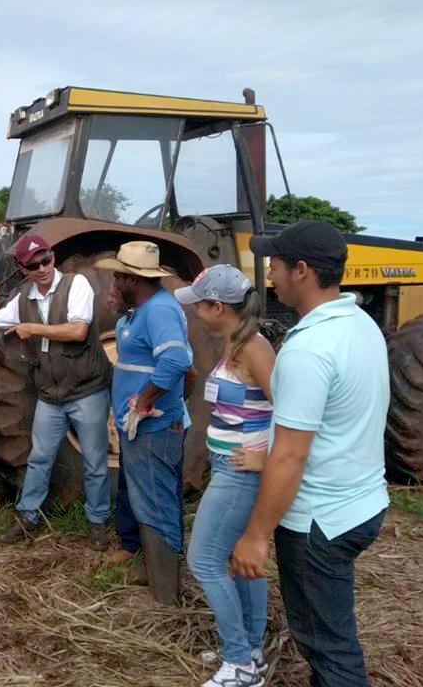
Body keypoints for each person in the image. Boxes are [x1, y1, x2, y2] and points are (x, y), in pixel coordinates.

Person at [233, 221, 389, 687]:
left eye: (275, 264)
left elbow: (289, 455)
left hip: (320, 521)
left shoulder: (309, 349)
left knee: (329, 648)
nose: (269, 273)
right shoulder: (361, 324)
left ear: (301, 270)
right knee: (333, 634)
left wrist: (256, 535)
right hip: (363, 502)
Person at [0, 234, 113, 550]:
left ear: (52, 256)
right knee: (39, 457)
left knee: (95, 461)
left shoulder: (76, 285)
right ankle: (28, 516)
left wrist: (33, 329)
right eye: (33, 264)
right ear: (23, 268)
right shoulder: (24, 298)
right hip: (50, 395)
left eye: (46, 259)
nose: (42, 268)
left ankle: (97, 521)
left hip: (86, 393)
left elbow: (78, 329)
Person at [177, 265, 275, 687]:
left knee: (202, 560)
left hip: (239, 472)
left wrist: (265, 459)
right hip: (226, 465)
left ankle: (239, 663)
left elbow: (291, 410)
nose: (195, 310)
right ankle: (250, 649)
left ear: (217, 306)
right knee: (239, 561)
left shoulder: (254, 347)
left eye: (198, 304)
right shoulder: (232, 342)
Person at [95, 240, 190, 604]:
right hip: (145, 426)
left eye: (119, 275)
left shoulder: (160, 311)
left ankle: (165, 593)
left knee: (156, 503)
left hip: (152, 428)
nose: (114, 281)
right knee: (146, 498)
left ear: (133, 279)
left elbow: (177, 362)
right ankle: (152, 571)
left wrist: (145, 404)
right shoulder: (142, 311)